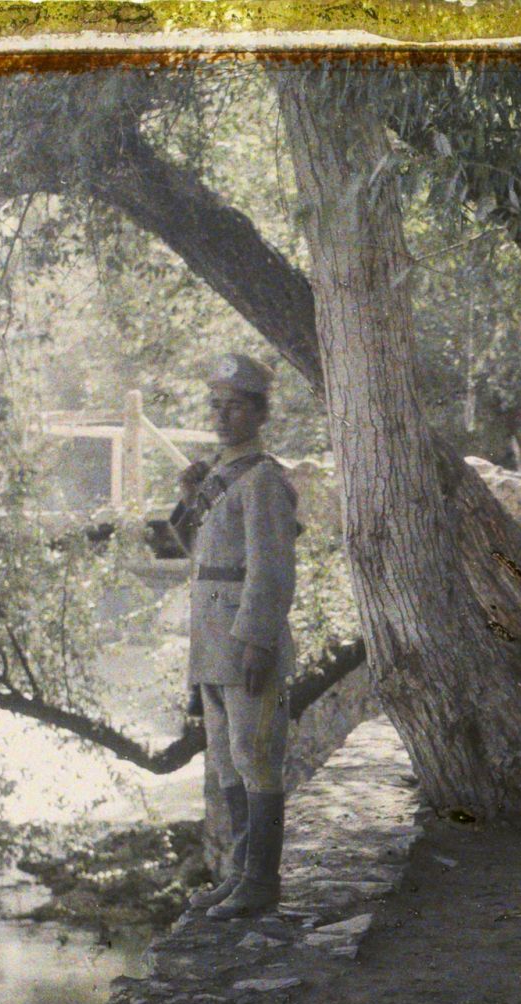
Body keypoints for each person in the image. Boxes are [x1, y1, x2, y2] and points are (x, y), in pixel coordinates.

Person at [179, 353, 299, 920]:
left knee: (255, 757)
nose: (222, 417)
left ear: (258, 413)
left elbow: (271, 569)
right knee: (227, 760)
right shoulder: (220, 477)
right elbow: (203, 564)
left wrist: (258, 640)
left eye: (235, 407)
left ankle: (261, 882)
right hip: (212, 642)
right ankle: (238, 872)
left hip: (244, 641)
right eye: (216, 406)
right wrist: (190, 501)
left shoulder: (265, 479)